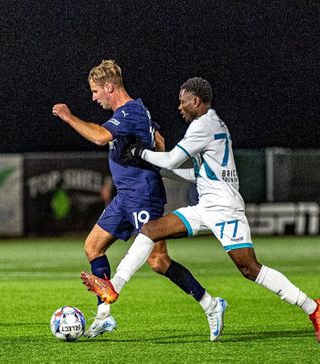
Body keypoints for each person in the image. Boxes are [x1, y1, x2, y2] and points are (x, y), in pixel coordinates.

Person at [81, 77, 320, 343]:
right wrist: (157, 166)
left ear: (196, 101)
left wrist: (142, 153)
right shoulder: (211, 123)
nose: (179, 107)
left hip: (225, 210)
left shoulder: (203, 126)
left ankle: (313, 307)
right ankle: (113, 288)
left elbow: (173, 157)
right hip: (205, 206)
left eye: (183, 101)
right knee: (151, 230)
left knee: (249, 269)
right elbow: (194, 174)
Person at [53, 62, 224, 341]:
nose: (94, 97)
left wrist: (68, 116)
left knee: (158, 261)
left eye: (96, 91)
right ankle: (104, 316)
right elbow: (159, 139)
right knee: (93, 247)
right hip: (125, 196)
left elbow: (99, 137)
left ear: (110, 87)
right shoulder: (137, 110)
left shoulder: (130, 111)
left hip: (143, 196)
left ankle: (211, 304)